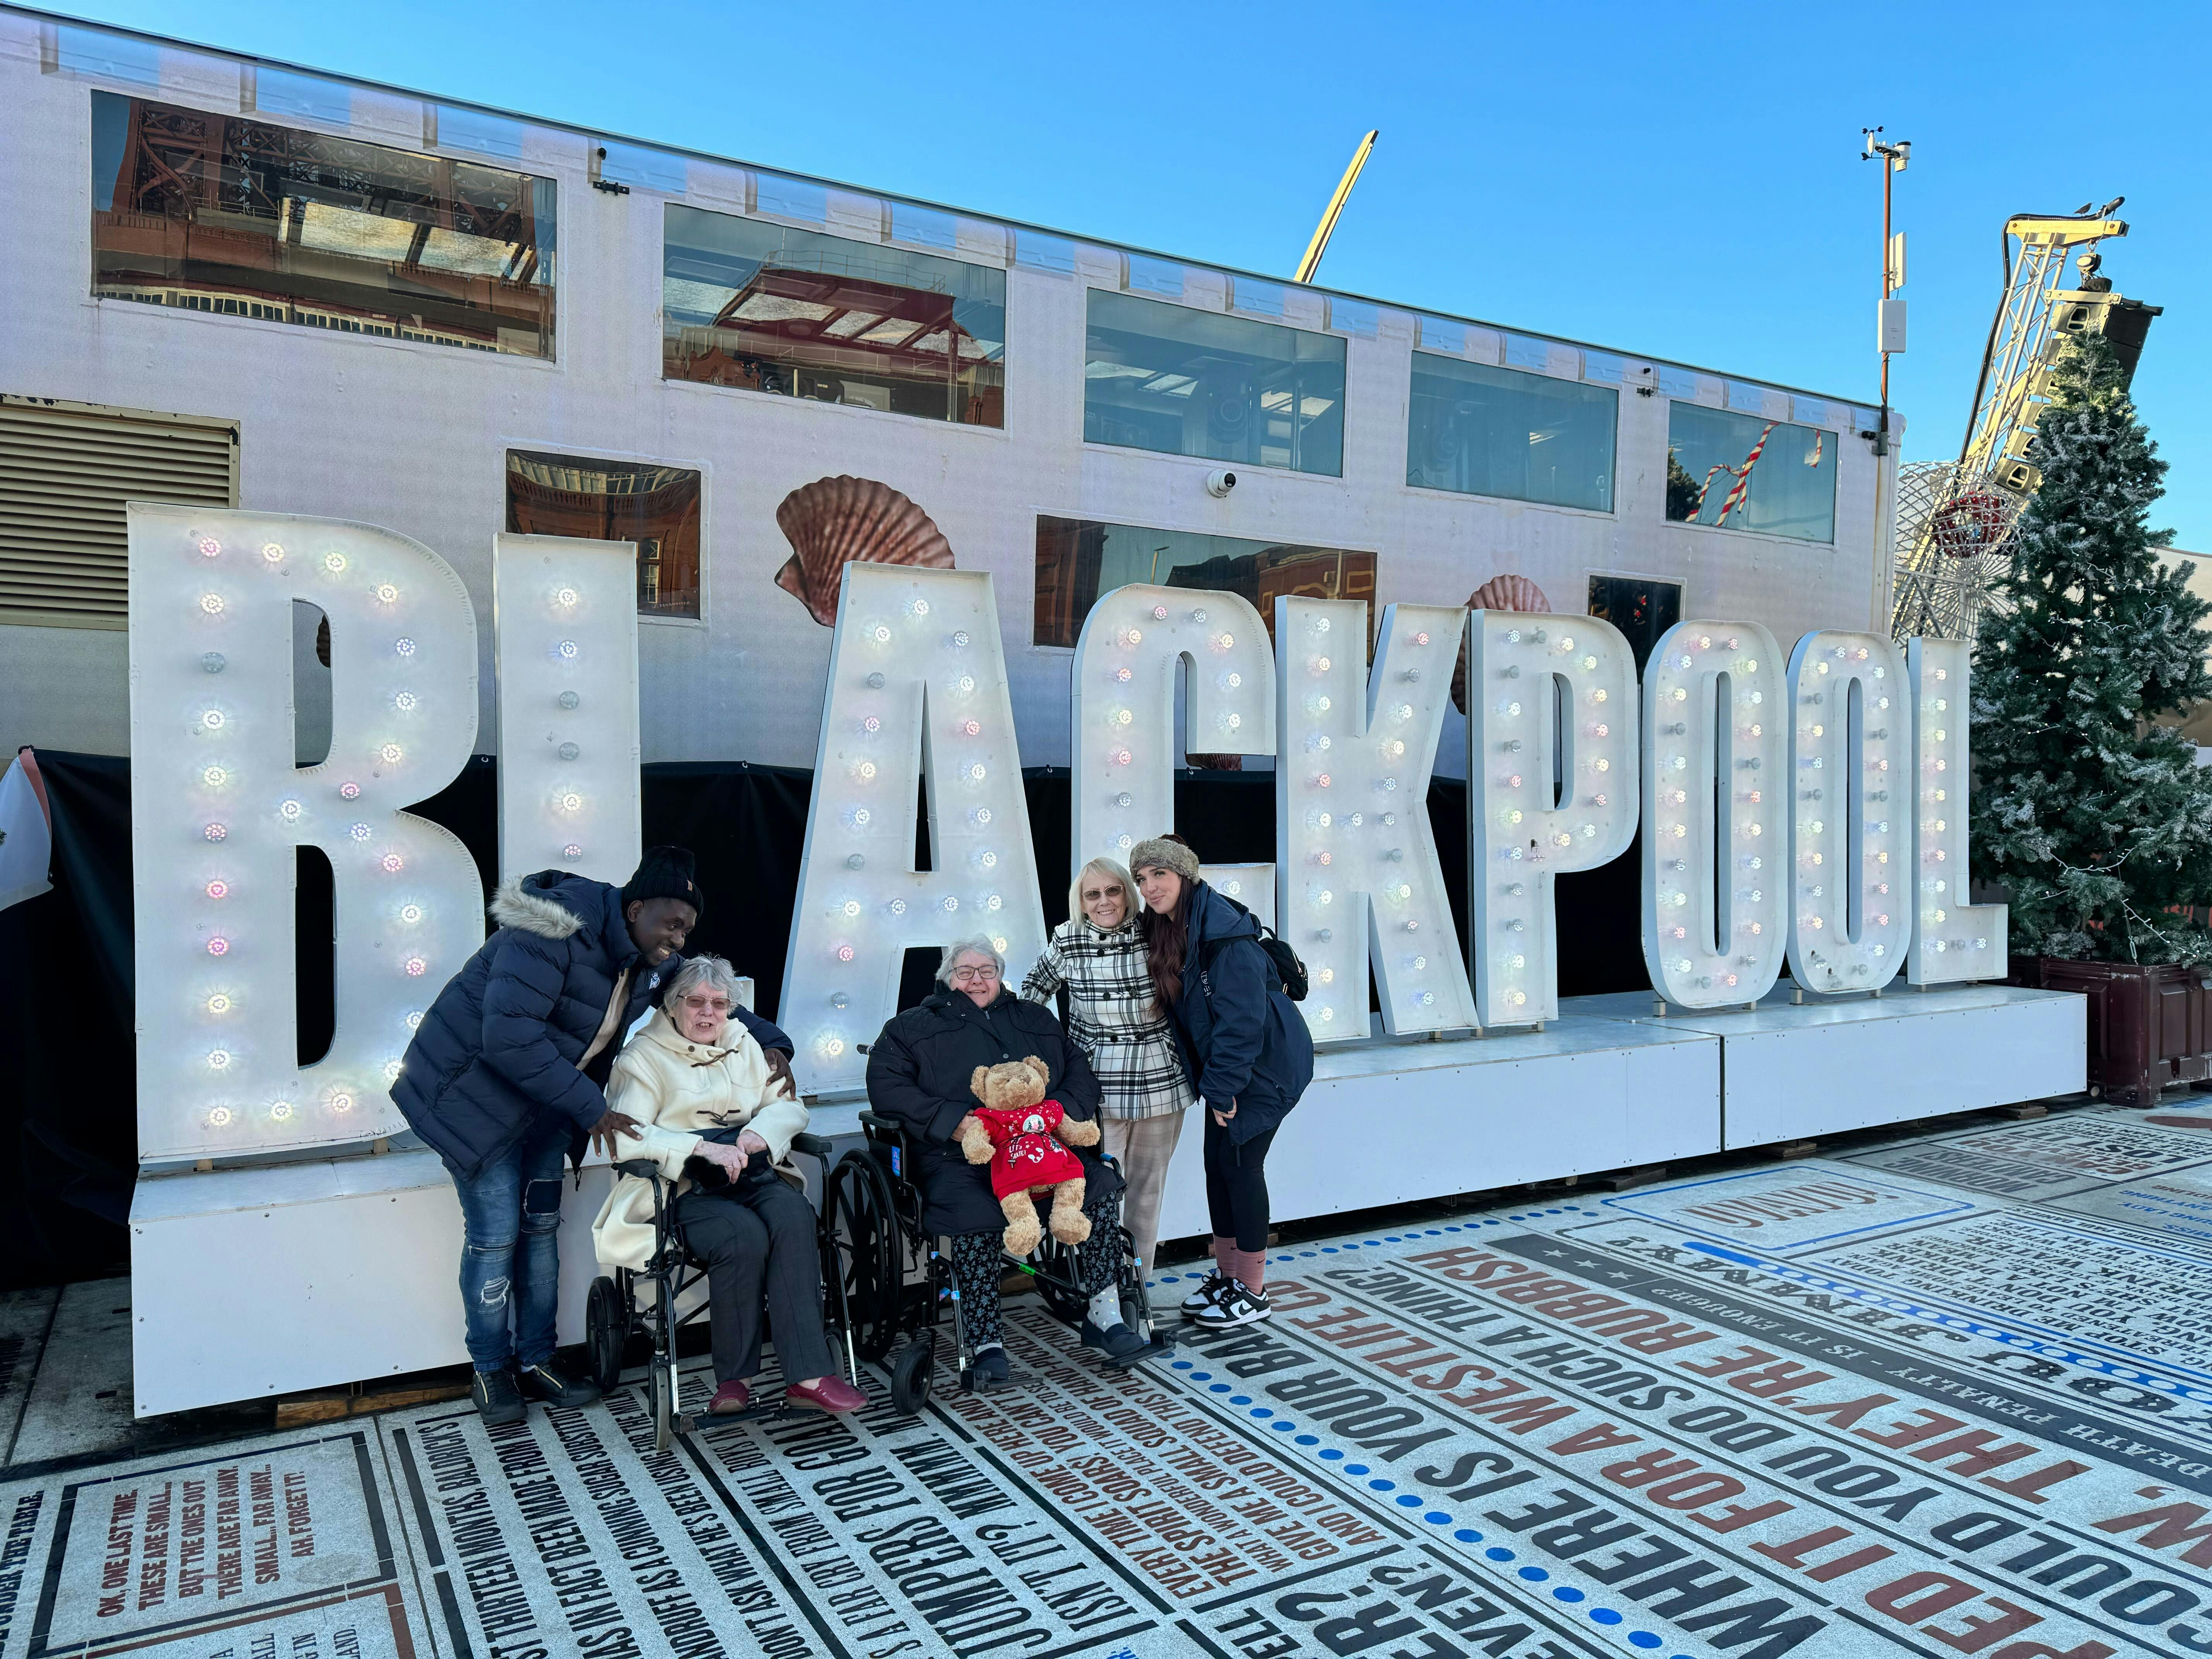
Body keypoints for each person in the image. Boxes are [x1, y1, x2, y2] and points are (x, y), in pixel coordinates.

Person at [391, 845, 795, 1424]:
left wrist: (774, 1041)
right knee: (496, 1236)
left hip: (548, 1106)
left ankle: (537, 1359)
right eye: (672, 924)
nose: (679, 938)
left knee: (540, 1230)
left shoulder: (646, 955)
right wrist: (591, 1108)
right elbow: (508, 1037)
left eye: (688, 928)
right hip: (471, 1102)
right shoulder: (551, 934)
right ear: (634, 910)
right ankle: (490, 1369)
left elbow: (701, 997)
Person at [592, 956, 864, 1415]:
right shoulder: (642, 1058)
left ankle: (808, 1376)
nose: (707, 1014)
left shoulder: (746, 1043)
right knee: (741, 1236)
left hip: (752, 1175)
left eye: (719, 1005)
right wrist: (699, 1149)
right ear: (673, 1005)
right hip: (680, 1189)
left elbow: (789, 1107)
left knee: (795, 1216)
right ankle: (734, 1382)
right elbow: (626, 1135)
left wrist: (763, 1131)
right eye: (696, 1002)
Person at [866, 937, 1141, 1387]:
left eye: (987, 970)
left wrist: (1058, 1114)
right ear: (946, 979)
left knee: (1099, 1186)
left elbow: (1079, 1073)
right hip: (961, 1156)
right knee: (972, 1211)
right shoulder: (911, 1027)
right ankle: (986, 1341)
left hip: (1043, 1150)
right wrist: (953, 1122)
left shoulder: (1035, 1017)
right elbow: (887, 1085)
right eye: (965, 972)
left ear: (1001, 975)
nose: (977, 980)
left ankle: (1104, 1313)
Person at [1129, 835, 1314, 1328]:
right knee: (1219, 1166)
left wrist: (1225, 1088)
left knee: (1241, 1167)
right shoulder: (1176, 927)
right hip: (1231, 1071)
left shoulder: (1225, 937)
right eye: (1142, 879)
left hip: (1264, 1068)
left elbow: (1242, 1023)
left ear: (1185, 876)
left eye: (1159, 875)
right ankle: (1231, 1278)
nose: (1149, 887)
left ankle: (1252, 1291)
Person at [1021, 857, 1195, 1292]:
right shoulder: (1068, 938)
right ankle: (1104, 1290)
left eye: (1114, 891)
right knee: (1099, 1194)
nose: (1104, 902)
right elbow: (1032, 995)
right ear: (1080, 900)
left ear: (1128, 894)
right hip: (1096, 1087)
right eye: (1093, 894)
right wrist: (1053, 1058)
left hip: (1160, 1078)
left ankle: (1138, 1284)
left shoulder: (1156, 931)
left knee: (1147, 1193)